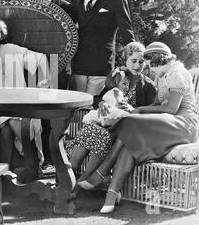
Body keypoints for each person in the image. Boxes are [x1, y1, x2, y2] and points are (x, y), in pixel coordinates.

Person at [80, 42, 199, 214]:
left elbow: (171, 108)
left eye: (150, 65)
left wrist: (140, 110)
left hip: (184, 124)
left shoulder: (178, 73)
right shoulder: (162, 75)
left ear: (159, 60)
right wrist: (130, 108)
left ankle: (102, 172)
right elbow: (156, 104)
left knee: (131, 121)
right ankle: (111, 196)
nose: (149, 69)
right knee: (129, 141)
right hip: (168, 122)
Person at [0, 15, 50, 183]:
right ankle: (20, 169)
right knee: (5, 125)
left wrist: (46, 80)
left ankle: (13, 172)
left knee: (12, 121)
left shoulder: (12, 50)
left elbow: (41, 58)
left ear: (1, 35)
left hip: (17, 104)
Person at [69, 42, 156, 183]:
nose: (137, 65)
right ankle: (69, 174)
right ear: (125, 60)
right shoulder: (118, 77)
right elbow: (100, 97)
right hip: (108, 121)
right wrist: (102, 103)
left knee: (103, 135)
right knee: (90, 128)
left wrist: (134, 111)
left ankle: (84, 180)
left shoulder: (148, 86)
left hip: (126, 129)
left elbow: (152, 113)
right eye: (133, 61)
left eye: (141, 62)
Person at [68, 0, 135, 97]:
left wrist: (134, 58)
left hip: (101, 65)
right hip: (78, 65)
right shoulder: (77, 0)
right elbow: (67, 26)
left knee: (93, 109)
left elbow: (126, 32)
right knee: (75, 108)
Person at [30, 0, 72, 172]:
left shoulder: (65, 7)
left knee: (53, 118)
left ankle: (55, 162)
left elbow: (72, 39)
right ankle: (35, 162)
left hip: (57, 66)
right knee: (33, 115)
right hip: (33, 68)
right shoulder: (26, 5)